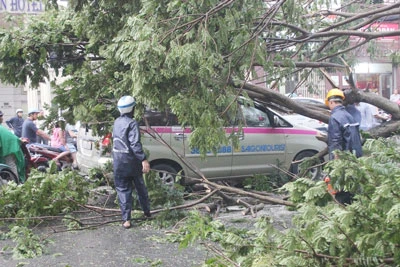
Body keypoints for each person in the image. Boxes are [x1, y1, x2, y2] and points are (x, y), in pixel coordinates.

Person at [112, 96, 151, 229]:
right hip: (131, 162)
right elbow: (134, 144)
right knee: (140, 187)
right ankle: (147, 212)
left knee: (123, 190)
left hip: (118, 162)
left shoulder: (116, 122)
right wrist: (143, 159)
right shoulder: (132, 123)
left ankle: (126, 220)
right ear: (132, 109)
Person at [325, 89, 363, 204]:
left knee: (340, 192)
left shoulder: (334, 117)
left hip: (342, 162)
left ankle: (343, 213)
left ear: (331, 102)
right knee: (351, 190)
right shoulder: (350, 116)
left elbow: (336, 142)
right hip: (354, 159)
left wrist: (335, 166)